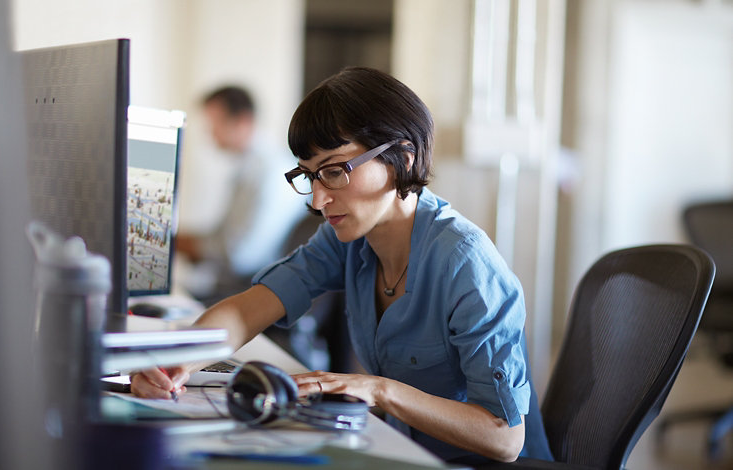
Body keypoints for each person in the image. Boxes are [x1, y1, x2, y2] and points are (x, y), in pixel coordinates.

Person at [133, 67, 551, 464]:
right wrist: (177, 360)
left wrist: (380, 390)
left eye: (334, 171)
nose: (317, 200)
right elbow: (250, 307)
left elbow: (504, 437)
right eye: (309, 175)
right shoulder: (346, 242)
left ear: (403, 158)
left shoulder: (466, 263)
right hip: (403, 452)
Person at [175, 86, 304, 304]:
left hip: (254, 291)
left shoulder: (267, 172)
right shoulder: (252, 166)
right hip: (241, 285)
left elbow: (241, 256)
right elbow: (225, 237)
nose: (211, 134)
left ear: (242, 121)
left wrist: (180, 243)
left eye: (215, 125)